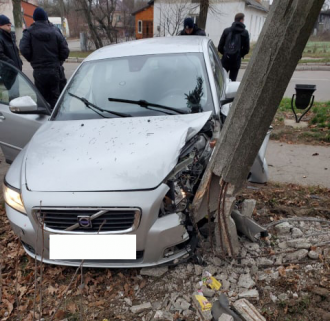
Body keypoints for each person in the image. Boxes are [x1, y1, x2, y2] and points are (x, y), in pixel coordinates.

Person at [20, 7, 70, 109]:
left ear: (34, 18)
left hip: (39, 70)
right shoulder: (55, 31)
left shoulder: (29, 32)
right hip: (54, 69)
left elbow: (23, 49)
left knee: (42, 98)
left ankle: (44, 120)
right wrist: (58, 62)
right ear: (46, 18)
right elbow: (65, 50)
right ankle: (57, 118)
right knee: (56, 96)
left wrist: (32, 59)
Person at [218, 13, 250, 81]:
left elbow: (220, 47)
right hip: (236, 61)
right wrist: (239, 54)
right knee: (232, 81)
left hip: (225, 60)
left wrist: (226, 53)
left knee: (222, 81)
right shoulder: (245, 33)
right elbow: (246, 49)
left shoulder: (226, 31)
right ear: (241, 20)